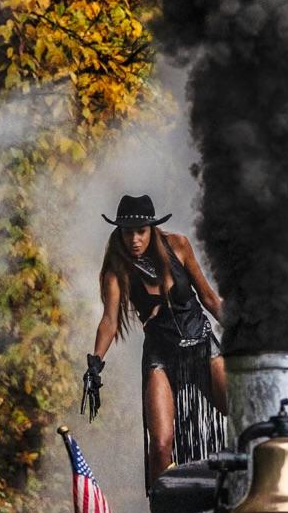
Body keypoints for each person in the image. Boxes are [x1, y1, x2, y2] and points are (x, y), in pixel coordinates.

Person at [84, 196, 227, 479]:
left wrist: (245, 334)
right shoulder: (117, 272)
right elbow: (110, 321)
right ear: (119, 233)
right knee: (160, 444)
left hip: (201, 344)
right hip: (161, 355)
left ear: (152, 229)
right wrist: (95, 364)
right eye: (127, 232)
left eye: (141, 232)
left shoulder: (178, 246)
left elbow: (209, 298)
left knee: (244, 414)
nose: (135, 239)